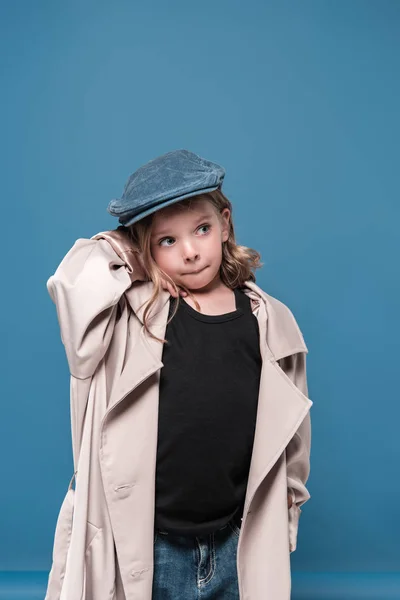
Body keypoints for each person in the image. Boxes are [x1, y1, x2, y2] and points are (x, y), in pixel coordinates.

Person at [44, 149, 312, 600]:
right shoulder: (136, 314)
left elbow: (293, 433)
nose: (190, 252)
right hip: (153, 547)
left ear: (225, 223)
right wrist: (133, 247)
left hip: (235, 543)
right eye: (167, 241)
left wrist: (288, 507)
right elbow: (74, 283)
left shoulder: (268, 320)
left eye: (202, 229)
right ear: (144, 246)